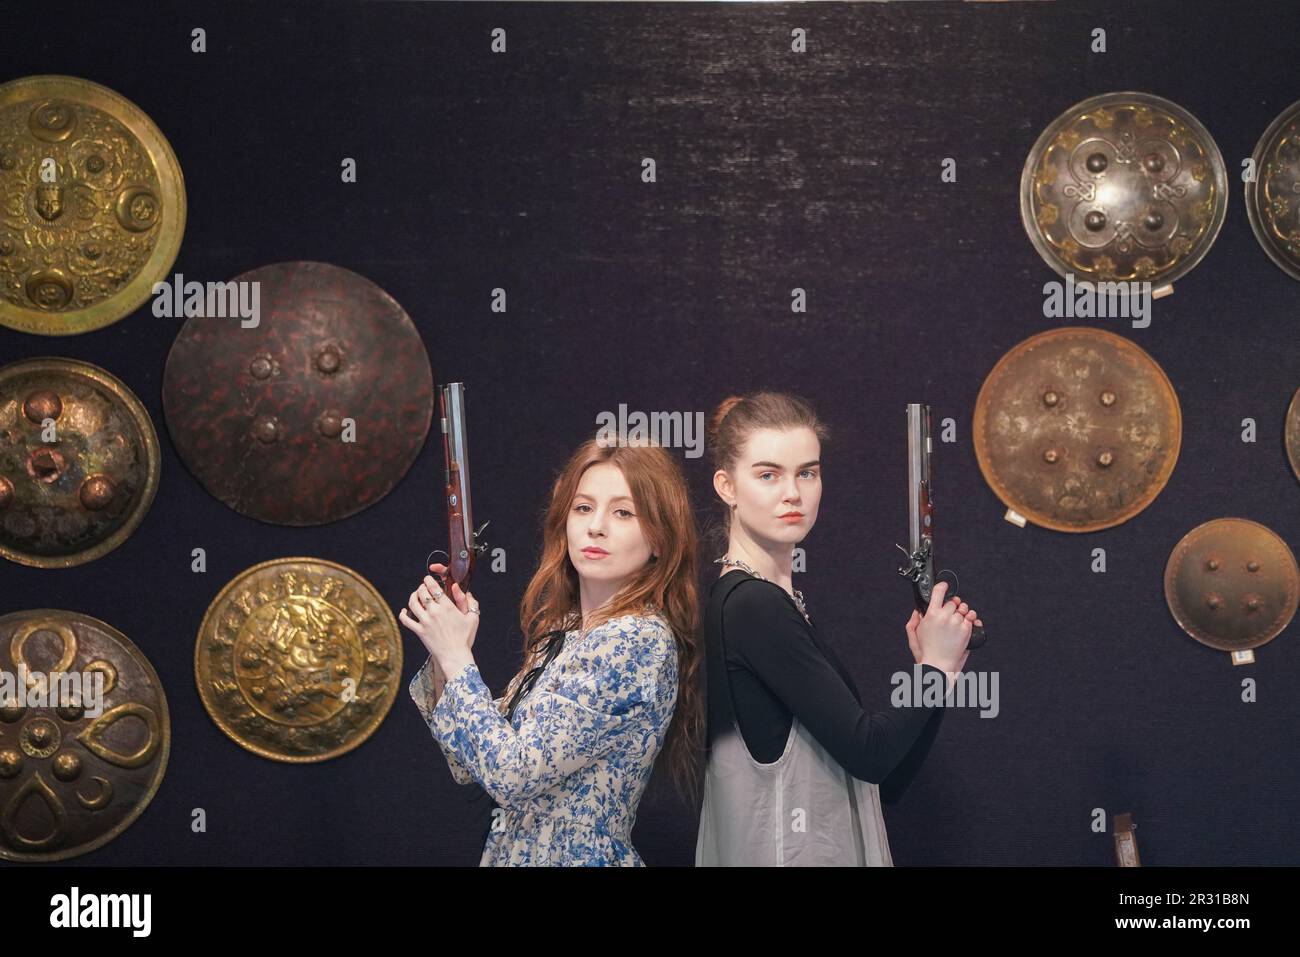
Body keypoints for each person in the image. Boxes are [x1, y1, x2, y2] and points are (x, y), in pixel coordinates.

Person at [695, 392, 980, 866]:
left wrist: (938, 673)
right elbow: (870, 751)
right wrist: (932, 669)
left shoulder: (773, 602)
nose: (793, 493)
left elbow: (885, 776)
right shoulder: (752, 605)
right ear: (726, 486)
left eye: (807, 472)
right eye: (768, 475)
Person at [400, 437, 700, 866]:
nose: (596, 526)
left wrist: (456, 658)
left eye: (623, 512)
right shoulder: (566, 633)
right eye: (583, 508)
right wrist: (450, 649)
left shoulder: (635, 640)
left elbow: (512, 775)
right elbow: (472, 764)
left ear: (659, 540)